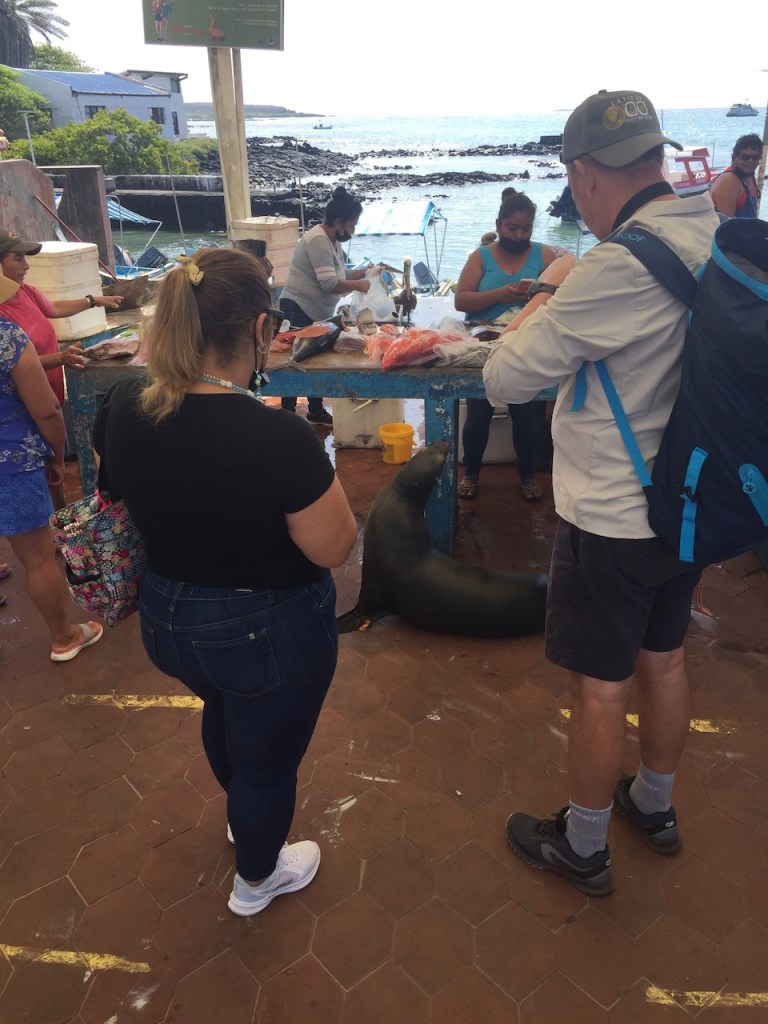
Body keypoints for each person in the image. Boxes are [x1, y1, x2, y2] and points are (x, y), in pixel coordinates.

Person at [483, 89, 720, 896]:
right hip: (688, 502)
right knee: (664, 657)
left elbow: (503, 375)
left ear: (584, 174)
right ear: (656, 157)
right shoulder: (708, 230)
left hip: (615, 513)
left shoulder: (612, 267)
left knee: (598, 684)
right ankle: (653, 805)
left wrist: (552, 283)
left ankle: (584, 847)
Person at [92, 248, 357, 916]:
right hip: (263, 634)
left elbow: (116, 487)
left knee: (225, 709)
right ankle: (257, 879)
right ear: (263, 329)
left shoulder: (124, 402)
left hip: (168, 623)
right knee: (268, 760)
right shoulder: (281, 438)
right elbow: (333, 547)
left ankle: (246, 820)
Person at [0, 265, 104, 662]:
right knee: (38, 557)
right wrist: (56, 455)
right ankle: (64, 637)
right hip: (12, 461)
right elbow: (46, 411)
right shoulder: (7, 339)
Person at [0, 230, 124, 507]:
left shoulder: (25, 292)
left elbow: (53, 307)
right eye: (17, 258)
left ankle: (58, 522)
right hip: (26, 402)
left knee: (53, 465)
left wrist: (93, 300)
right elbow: (15, 364)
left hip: (50, 390)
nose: (26, 266)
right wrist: (60, 358)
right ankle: (49, 531)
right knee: (41, 464)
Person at [454, 188, 561, 502]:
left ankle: (526, 475)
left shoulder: (544, 255)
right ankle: (471, 473)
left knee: (526, 417)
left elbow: (560, 294)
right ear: (499, 225)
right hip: (484, 343)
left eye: (525, 229)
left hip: (524, 342)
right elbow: (461, 300)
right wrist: (500, 294)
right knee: (478, 415)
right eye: (512, 228)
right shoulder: (481, 257)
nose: (519, 234)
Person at [278, 186, 371, 425]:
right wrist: (360, 285)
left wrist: (364, 272)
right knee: (295, 361)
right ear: (338, 222)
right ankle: (287, 416)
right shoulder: (318, 239)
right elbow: (329, 283)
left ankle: (315, 411)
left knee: (314, 360)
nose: (353, 230)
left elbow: (339, 273)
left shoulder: (332, 241)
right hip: (297, 306)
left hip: (316, 311)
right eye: (352, 225)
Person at [710, 133, 762, 219]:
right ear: (734, 158)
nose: (750, 161)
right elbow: (728, 224)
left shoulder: (750, 177)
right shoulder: (728, 181)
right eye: (745, 157)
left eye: (755, 157)